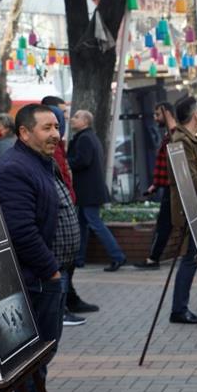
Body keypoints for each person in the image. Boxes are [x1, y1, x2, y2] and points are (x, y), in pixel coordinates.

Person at [0, 104, 78, 392]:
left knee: (45, 348)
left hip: (50, 275)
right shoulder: (13, 169)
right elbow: (20, 230)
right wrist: (51, 271)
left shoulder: (41, 161)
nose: (55, 134)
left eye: (56, 126)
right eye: (46, 128)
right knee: (32, 352)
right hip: (36, 279)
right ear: (25, 133)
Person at [42, 100, 98, 319]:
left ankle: (68, 301)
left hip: (71, 202)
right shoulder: (50, 151)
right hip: (60, 213)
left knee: (69, 263)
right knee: (62, 267)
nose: (66, 120)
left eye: (60, 123)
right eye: (51, 125)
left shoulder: (63, 145)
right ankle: (62, 308)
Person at [167, 96, 197, 325]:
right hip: (193, 209)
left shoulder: (193, 138)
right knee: (191, 259)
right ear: (196, 114)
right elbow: (191, 177)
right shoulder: (181, 140)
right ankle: (179, 309)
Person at [68, 109, 125, 273]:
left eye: (77, 117)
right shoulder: (89, 137)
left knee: (95, 223)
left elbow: (82, 161)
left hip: (88, 191)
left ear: (85, 122)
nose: (72, 119)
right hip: (90, 190)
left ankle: (117, 256)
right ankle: (79, 259)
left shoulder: (84, 138)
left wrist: (65, 162)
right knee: (82, 224)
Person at [136, 102, 177, 269]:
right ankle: (153, 258)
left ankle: (154, 258)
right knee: (165, 224)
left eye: (157, 114)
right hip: (170, 187)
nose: (155, 118)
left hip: (173, 189)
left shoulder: (175, 136)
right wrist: (155, 185)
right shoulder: (170, 135)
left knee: (164, 224)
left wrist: (159, 184)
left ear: (166, 113)